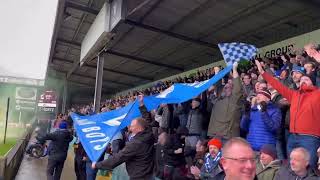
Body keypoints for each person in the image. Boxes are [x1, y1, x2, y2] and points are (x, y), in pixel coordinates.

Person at [255, 60, 320, 168]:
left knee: (309, 169)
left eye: (306, 79)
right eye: (302, 79)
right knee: (292, 168)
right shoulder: (294, 94)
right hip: (292, 137)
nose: (303, 80)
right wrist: (262, 72)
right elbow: (277, 85)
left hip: (310, 138)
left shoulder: (317, 94)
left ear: (313, 82)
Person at [207, 62, 242, 143]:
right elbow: (217, 85)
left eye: (230, 87)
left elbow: (237, 85)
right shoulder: (219, 97)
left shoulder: (234, 99)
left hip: (227, 136)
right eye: (225, 87)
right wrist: (217, 73)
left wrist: (234, 69)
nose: (226, 88)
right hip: (215, 134)